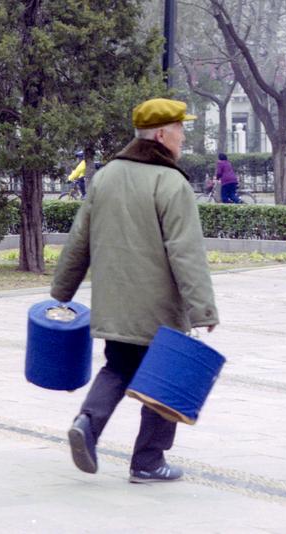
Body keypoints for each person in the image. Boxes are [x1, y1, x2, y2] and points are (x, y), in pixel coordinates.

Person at [51, 97, 220, 483]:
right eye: (180, 129)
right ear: (162, 134)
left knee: (119, 366)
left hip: (114, 304)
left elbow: (80, 240)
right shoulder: (171, 183)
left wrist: (63, 290)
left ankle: (87, 423)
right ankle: (148, 461)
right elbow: (186, 253)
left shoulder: (105, 177)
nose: (182, 137)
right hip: (159, 307)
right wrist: (202, 310)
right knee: (167, 376)